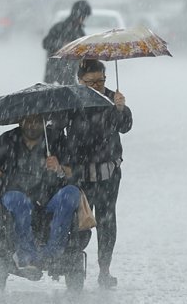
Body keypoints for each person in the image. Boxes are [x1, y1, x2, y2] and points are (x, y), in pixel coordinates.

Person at [0, 115, 80, 277]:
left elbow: (74, 172)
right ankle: (26, 255)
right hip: (15, 195)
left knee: (71, 193)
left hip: (49, 198)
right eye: (28, 121)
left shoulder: (57, 139)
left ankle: (52, 253)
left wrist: (59, 168)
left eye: (36, 121)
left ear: (44, 122)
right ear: (20, 121)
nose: (32, 125)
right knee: (18, 201)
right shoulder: (6, 140)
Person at [66, 59, 132, 288]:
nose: (97, 86)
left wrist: (121, 109)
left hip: (108, 175)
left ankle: (105, 269)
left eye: (101, 81)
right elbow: (56, 130)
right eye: (90, 82)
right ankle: (73, 267)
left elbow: (125, 126)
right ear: (80, 81)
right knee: (80, 221)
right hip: (80, 175)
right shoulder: (71, 100)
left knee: (107, 221)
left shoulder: (113, 100)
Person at [42, 0, 91, 85]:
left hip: (70, 76)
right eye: (84, 16)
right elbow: (46, 43)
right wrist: (61, 45)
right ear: (78, 15)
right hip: (53, 75)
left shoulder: (80, 33)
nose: (84, 19)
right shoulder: (59, 28)